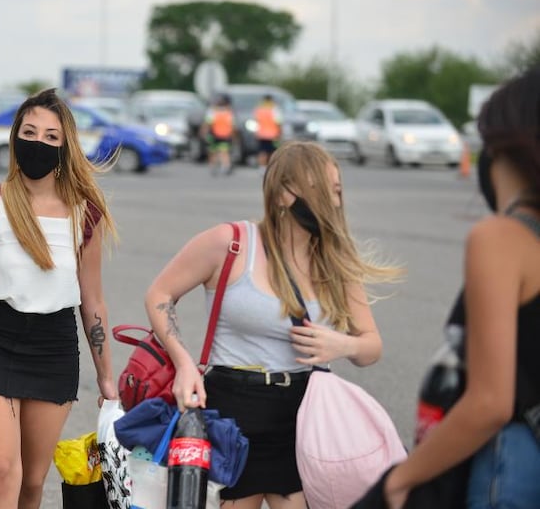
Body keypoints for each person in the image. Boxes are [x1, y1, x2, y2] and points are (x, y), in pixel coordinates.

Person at [144, 140, 402, 509]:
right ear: (283, 194)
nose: (334, 201)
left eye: (338, 190)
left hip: (302, 418)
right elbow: (160, 294)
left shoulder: (334, 259)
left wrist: (342, 345)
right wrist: (184, 364)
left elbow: (371, 345)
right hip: (231, 414)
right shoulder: (231, 243)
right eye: (321, 189)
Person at [0, 88, 119, 509]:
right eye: (30, 132)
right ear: (14, 138)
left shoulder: (85, 215)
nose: (39, 143)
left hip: (53, 348)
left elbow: (93, 302)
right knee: (2, 470)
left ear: (66, 146)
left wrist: (106, 376)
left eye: (51, 137)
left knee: (32, 482)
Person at [378, 68, 540, 509]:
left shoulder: (503, 239)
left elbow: (490, 404)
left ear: (505, 149)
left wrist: (399, 480)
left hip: (513, 471)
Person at [204, 94, 235, 176]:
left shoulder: (212, 111)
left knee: (213, 152)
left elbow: (208, 123)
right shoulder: (229, 112)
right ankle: (225, 167)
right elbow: (232, 125)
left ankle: (213, 167)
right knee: (224, 152)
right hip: (226, 135)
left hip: (214, 135)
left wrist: (204, 133)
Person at [254, 94, 282, 170]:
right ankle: (271, 167)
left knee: (262, 151)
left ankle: (262, 168)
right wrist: (280, 133)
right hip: (273, 135)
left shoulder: (259, 109)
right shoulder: (274, 109)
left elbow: (256, 121)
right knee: (272, 152)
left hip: (261, 134)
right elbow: (278, 122)